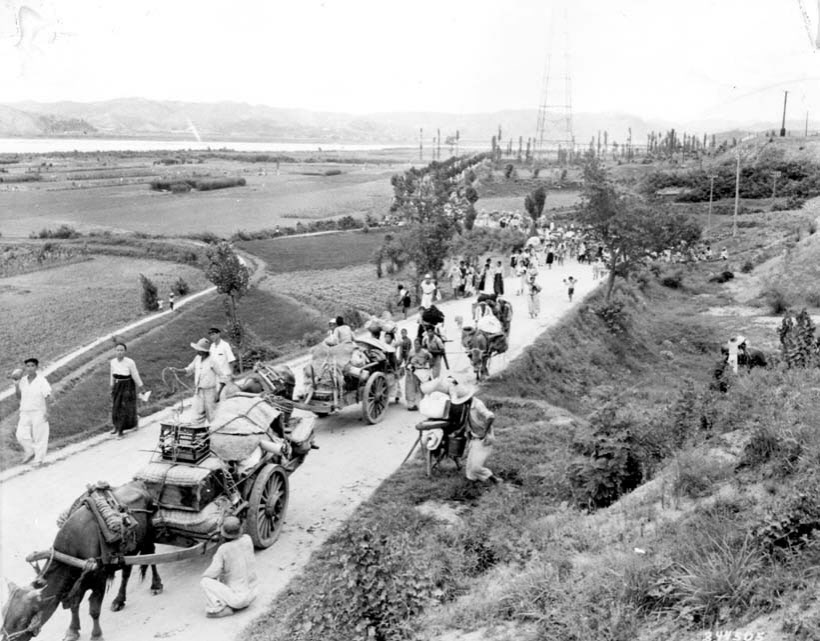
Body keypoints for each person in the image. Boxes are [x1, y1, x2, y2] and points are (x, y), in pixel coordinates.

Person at [200, 516, 257, 618]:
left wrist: (209, 576)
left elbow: (212, 573)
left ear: (223, 533)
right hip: (253, 593)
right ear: (241, 530)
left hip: (238, 599)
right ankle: (239, 601)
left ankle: (219, 608)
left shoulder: (223, 549)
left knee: (205, 581)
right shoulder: (248, 539)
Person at [447, 379, 499, 484]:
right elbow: (467, 421)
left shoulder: (478, 404)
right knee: (469, 468)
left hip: (483, 439)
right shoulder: (467, 406)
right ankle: (474, 484)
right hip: (474, 437)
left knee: (475, 467)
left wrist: (485, 432)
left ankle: (493, 479)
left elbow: (491, 416)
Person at [179, 338, 231, 424]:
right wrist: (178, 370)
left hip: (210, 392)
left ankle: (214, 433)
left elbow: (223, 377)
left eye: (200, 350)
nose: (198, 352)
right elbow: (190, 369)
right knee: (196, 415)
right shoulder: (197, 358)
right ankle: (199, 434)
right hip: (199, 391)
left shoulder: (213, 361)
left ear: (205, 351)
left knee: (212, 415)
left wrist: (218, 394)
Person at [14, 358, 52, 466]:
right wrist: (16, 385)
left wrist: (47, 411)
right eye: (28, 366)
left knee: (39, 436)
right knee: (20, 435)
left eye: (32, 366)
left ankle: (38, 459)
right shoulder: (23, 380)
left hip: (39, 411)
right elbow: (18, 397)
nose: (30, 368)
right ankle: (30, 451)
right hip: (25, 411)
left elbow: (47, 396)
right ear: (25, 368)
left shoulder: (41, 380)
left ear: (36, 367)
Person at [109, 342, 146, 439]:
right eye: (118, 350)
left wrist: (141, 387)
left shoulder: (130, 362)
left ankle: (121, 431)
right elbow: (112, 375)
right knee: (115, 407)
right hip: (117, 385)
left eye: (121, 350)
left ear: (125, 351)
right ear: (115, 351)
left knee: (124, 407)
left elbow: (135, 375)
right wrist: (112, 386)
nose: (119, 352)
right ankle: (116, 427)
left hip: (127, 385)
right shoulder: (113, 362)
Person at [405, 340, 432, 411]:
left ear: (420, 345)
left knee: (424, 387)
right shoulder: (411, 352)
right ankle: (411, 404)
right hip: (413, 371)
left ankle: (425, 403)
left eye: (417, 344)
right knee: (411, 388)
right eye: (415, 344)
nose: (416, 345)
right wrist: (408, 366)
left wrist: (424, 362)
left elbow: (430, 359)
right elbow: (407, 362)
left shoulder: (424, 352)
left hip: (422, 371)